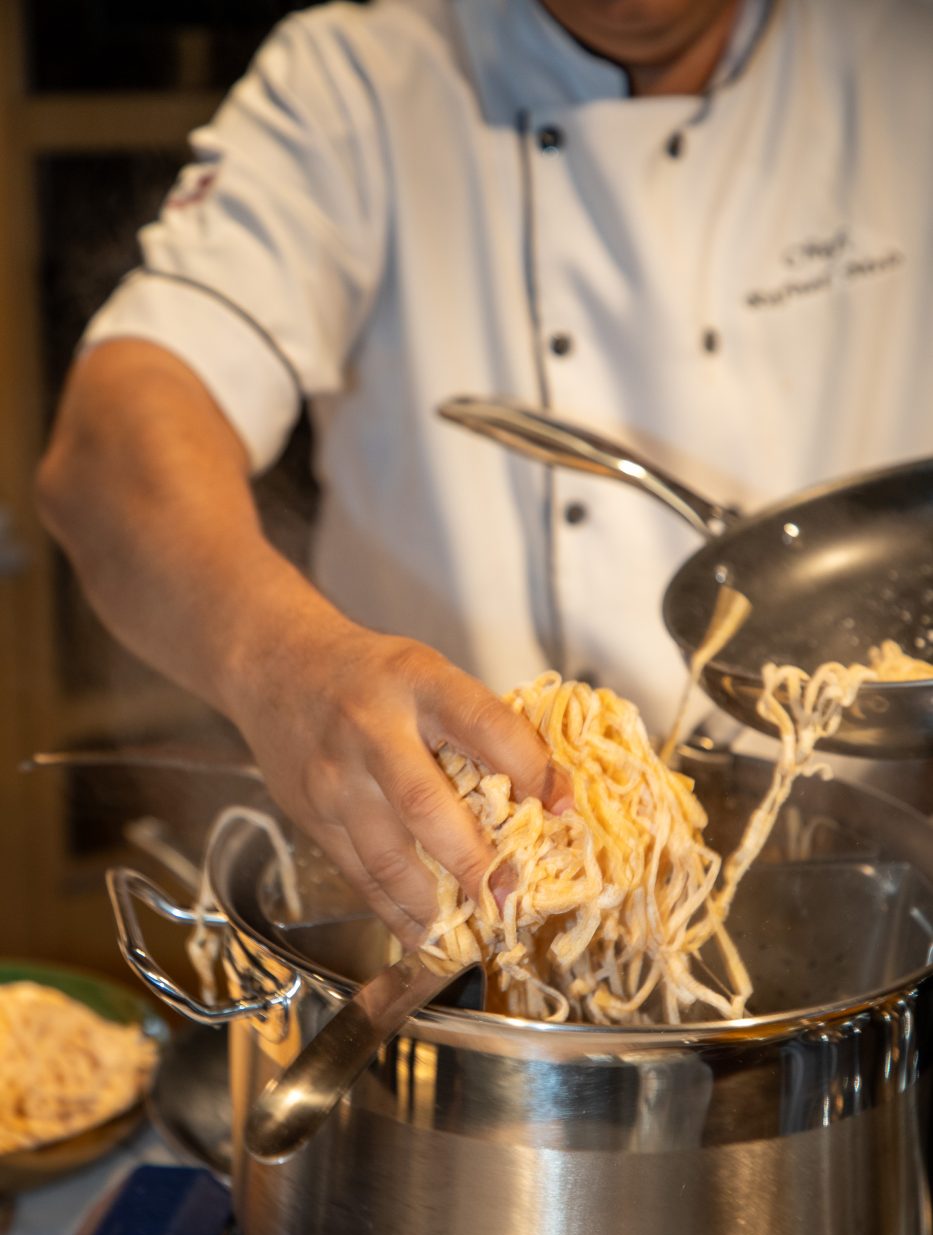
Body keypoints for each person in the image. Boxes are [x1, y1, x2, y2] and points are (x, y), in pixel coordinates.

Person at [36, 0, 933, 945]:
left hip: (861, 899)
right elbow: (111, 442)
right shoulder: (362, 78)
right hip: (440, 904)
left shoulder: (901, 54)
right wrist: (278, 660)